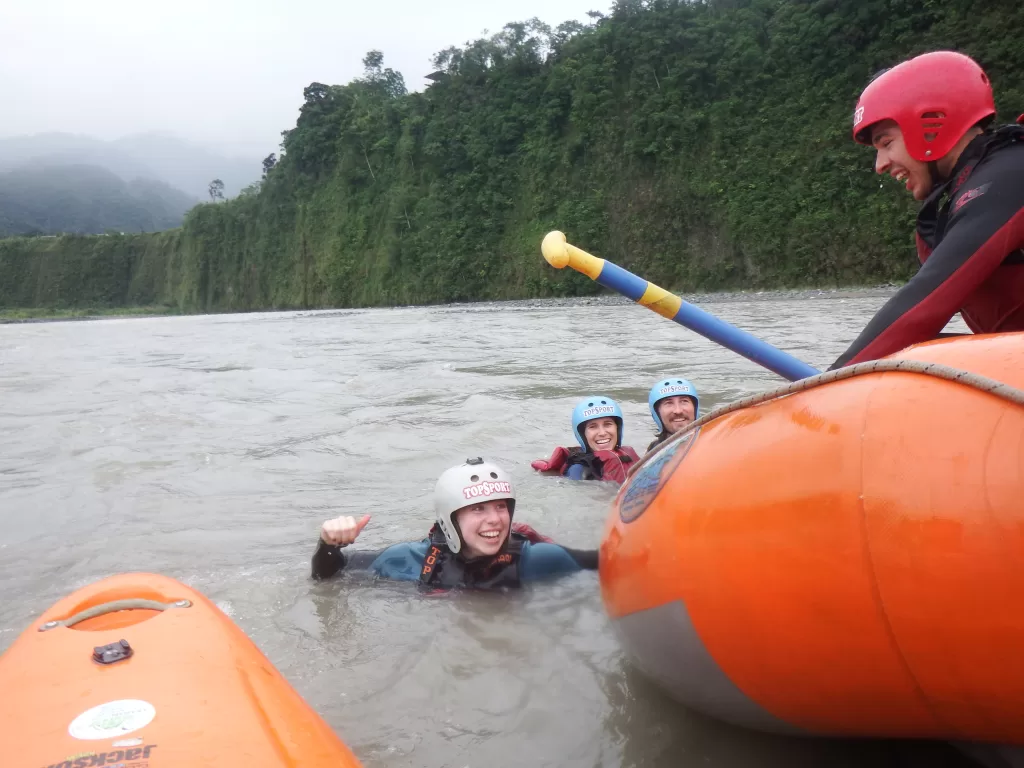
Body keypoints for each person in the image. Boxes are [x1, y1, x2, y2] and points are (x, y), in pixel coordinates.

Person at [831, 50, 1024, 369]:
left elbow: (928, 301)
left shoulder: (1010, 174)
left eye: (886, 143)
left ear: (931, 122)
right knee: (914, 356)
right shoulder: (965, 193)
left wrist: (827, 383)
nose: (879, 165)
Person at [311, 458, 597, 591]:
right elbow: (329, 576)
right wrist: (328, 543)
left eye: (501, 506)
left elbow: (605, 562)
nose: (495, 519)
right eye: (477, 509)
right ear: (451, 519)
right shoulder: (410, 559)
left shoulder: (533, 560)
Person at [531, 396, 640, 483]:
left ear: (617, 428)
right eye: (593, 427)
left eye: (608, 424)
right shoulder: (578, 471)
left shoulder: (628, 454)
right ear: (582, 434)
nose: (602, 433)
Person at [646, 377, 699, 452]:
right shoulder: (653, 452)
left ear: (695, 408)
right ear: (657, 414)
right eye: (668, 403)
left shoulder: (713, 441)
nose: (678, 411)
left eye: (684, 401)